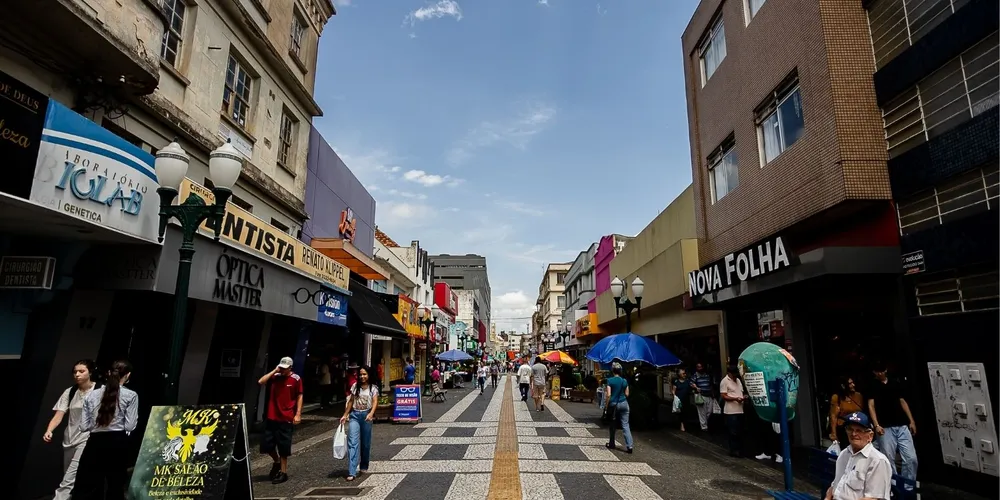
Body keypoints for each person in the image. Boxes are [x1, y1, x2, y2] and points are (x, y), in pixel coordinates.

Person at [71, 360, 138, 500]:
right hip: (117, 442)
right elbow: (130, 426)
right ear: (128, 375)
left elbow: (84, 426)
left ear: (108, 373)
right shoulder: (131, 395)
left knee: (89, 485)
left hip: (95, 443)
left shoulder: (91, 395)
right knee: (115, 485)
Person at [44, 359, 99, 500]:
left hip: (87, 438)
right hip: (69, 438)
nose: (77, 374)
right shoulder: (70, 391)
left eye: (81, 371)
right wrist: (49, 430)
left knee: (69, 478)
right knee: (69, 475)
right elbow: (59, 414)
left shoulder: (100, 391)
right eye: (75, 372)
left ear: (90, 372)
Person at [825, 412, 892, 500]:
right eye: (850, 429)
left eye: (859, 430)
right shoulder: (844, 454)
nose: (853, 434)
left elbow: (872, 498)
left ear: (870, 436)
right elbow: (835, 486)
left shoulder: (878, 461)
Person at [257, 356, 304, 484]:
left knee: (283, 447)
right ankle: (276, 461)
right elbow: (261, 382)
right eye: (281, 367)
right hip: (272, 416)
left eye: (285, 368)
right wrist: (274, 370)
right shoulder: (276, 377)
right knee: (266, 445)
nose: (282, 370)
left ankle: (283, 472)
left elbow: (299, 396)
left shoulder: (296, 379)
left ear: (290, 368)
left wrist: (298, 413)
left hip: (286, 417)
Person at [868, 363, 918, 482]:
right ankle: (894, 486)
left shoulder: (895, 383)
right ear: (874, 372)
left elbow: (902, 401)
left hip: (901, 425)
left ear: (885, 370)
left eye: (881, 371)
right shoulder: (872, 385)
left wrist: (911, 421)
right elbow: (871, 405)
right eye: (877, 371)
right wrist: (876, 425)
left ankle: (907, 486)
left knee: (911, 458)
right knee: (888, 460)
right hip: (885, 427)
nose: (879, 373)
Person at [340, 366, 379, 482]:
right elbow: (351, 401)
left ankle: (364, 465)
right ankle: (352, 471)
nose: (362, 377)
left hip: (366, 416)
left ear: (369, 375)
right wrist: (345, 414)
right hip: (355, 416)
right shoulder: (355, 387)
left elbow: (375, 402)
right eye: (361, 374)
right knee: (353, 442)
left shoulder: (373, 388)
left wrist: (371, 413)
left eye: (365, 374)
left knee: (366, 444)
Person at [604, 362, 634, 454]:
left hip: (614, 404)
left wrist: (606, 406)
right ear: (620, 371)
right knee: (625, 425)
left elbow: (608, 395)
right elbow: (627, 394)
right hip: (624, 404)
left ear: (613, 370)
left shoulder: (610, 380)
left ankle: (612, 443)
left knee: (613, 424)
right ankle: (629, 446)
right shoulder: (624, 381)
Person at [830, 376, 865, 451]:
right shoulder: (837, 397)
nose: (853, 385)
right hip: (844, 429)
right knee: (847, 451)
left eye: (853, 383)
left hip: (857, 426)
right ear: (844, 386)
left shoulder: (858, 396)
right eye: (850, 384)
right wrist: (834, 433)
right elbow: (833, 416)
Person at [720, 365, 746, 458]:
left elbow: (741, 391)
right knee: (733, 431)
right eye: (733, 374)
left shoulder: (738, 380)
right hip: (731, 411)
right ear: (729, 373)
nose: (735, 376)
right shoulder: (725, 381)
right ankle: (734, 450)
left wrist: (743, 397)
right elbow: (724, 395)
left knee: (739, 431)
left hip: (740, 409)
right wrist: (735, 398)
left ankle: (739, 449)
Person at [691, 363, 715, 431]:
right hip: (701, 395)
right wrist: (696, 387)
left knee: (709, 411)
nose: (700, 368)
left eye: (701, 367)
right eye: (698, 367)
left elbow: (711, 384)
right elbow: (691, 383)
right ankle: (704, 427)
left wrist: (712, 393)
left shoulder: (707, 375)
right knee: (701, 412)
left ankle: (705, 423)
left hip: (709, 395)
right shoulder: (695, 375)